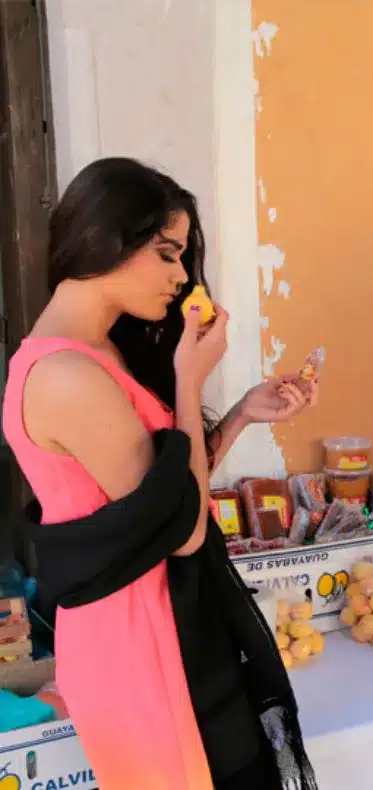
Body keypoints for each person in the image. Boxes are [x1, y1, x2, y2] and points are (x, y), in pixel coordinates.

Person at [2, 158, 319, 790]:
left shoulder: (101, 351)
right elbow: (182, 529)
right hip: (135, 634)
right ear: (105, 239)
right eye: (166, 254)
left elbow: (169, 493)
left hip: (159, 617)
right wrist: (188, 377)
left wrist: (239, 415)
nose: (181, 276)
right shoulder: (67, 376)